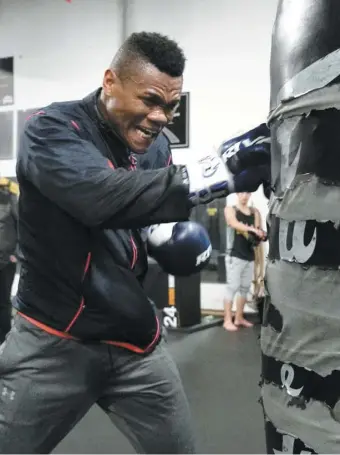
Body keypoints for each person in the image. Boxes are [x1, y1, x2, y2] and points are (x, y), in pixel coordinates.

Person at [0, 31, 270, 454]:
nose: (161, 116)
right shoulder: (52, 130)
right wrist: (221, 167)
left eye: (171, 106)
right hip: (52, 340)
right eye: (150, 100)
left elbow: (137, 210)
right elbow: (96, 197)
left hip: (134, 340)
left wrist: (160, 236)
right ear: (110, 82)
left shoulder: (157, 147)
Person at [223, 192, 266, 331]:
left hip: (249, 255)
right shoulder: (230, 209)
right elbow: (232, 223)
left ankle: (239, 317)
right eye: (242, 192)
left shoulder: (255, 213)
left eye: (247, 193)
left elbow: (257, 232)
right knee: (232, 287)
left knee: (245, 288)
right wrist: (251, 229)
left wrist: (261, 235)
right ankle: (227, 320)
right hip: (234, 255)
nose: (244, 196)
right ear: (237, 193)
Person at [0, 177, 18, 344]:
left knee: (4, 302)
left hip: (5, 260)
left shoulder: (10, 199)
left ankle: (4, 339)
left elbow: (23, 226)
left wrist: (16, 253)